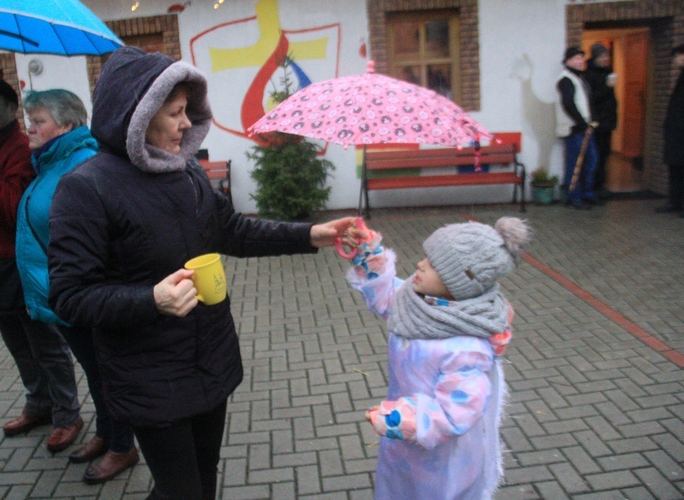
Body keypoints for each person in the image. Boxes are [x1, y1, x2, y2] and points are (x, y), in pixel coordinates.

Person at [47, 46, 355, 499]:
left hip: (210, 360)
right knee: (182, 491)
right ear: (138, 115)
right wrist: (151, 299)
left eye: (188, 111)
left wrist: (311, 235)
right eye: (174, 113)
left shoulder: (185, 171)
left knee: (202, 478)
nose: (187, 123)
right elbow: (70, 296)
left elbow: (233, 232)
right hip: (149, 375)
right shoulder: (85, 189)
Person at [340, 217, 530, 499]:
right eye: (426, 257)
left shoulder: (465, 347)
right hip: (404, 446)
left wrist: (401, 418)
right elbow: (385, 294)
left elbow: (458, 409)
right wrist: (368, 251)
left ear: (461, 283)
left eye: (435, 265)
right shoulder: (416, 301)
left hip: (441, 457)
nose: (420, 264)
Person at [15, 89, 139, 483]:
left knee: (106, 374)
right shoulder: (52, 163)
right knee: (93, 370)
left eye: (39, 122)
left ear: (66, 125)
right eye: (29, 120)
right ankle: (106, 434)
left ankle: (124, 447)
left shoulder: (82, 165)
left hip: (85, 295)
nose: (29, 129)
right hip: (63, 295)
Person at [0, 73, 82, 452]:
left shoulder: (20, 150)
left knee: (44, 343)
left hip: (19, 264)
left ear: (12, 109)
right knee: (18, 345)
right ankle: (38, 403)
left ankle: (66, 413)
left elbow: (14, 210)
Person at [556, 46, 599, 210]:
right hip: (574, 129)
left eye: (581, 58)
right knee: (575, 164)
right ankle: (573, 195)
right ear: (567, 61)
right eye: (576, 58)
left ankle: (587, 193)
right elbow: (569, 104)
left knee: (591, 161)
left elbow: (587, 103)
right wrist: (582, 124)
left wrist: (593, 121)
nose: (579, 61)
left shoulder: (580, 78)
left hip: (586, 128)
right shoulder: (565, 80)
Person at [585, 43, 618, 201]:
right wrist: (607, 86)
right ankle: (593, 187)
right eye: (602, 56)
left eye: (607, 56)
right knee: (595, 156)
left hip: (608, 122)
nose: (605, 59)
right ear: (595, 57)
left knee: (605, 155)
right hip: (598, 122)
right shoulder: (589, 75)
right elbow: (592, 98)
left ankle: (601, 185)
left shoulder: (608, 72)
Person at [656, 43, 684, 217]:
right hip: (676, 132)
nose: (674, 60)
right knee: (675, 169)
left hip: (681, 133)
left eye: (676, 56)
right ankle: (675, 201)